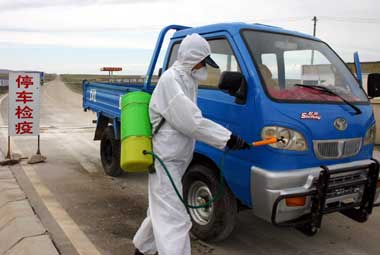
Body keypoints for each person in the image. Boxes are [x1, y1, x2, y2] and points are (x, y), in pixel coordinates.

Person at [133, 33, 250, 255]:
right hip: (164, 161)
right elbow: (191, 121)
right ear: (193, 59)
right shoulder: (171, 81)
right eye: (202, 61)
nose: (203, 67)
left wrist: (228, 138)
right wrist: (228, 138)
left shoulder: (187, 80)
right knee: (175, 219)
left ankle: (142, 250)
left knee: (161, 212)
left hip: (175, 161)